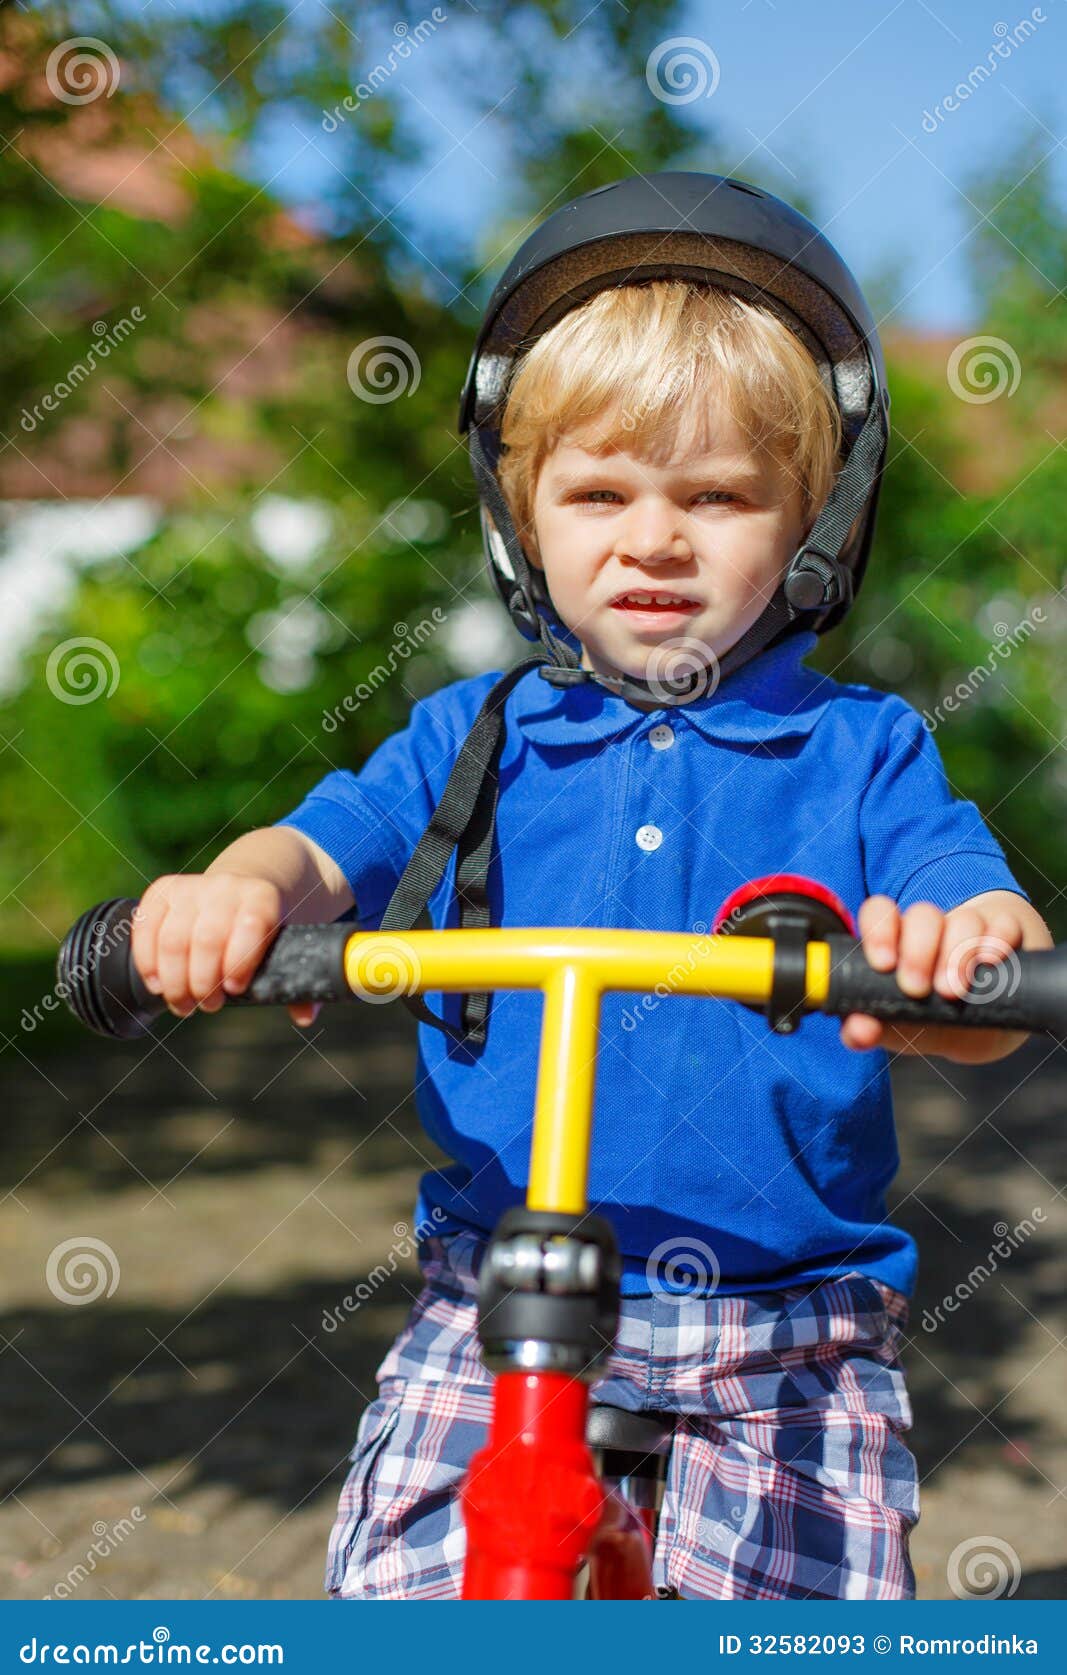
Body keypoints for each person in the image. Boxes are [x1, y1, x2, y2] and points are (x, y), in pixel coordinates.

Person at [129, 173, 1052, 1600]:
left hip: (783, 1330)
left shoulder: (862, 751)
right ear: (522, 512)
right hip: (494, 1307)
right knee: (409, 1605)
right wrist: (234, 893)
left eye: (720, 496)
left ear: (817, 516)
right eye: (600, 492)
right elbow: (319, 853)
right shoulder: (471, 735)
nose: (655, 538)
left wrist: (967, 948)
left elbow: (989, 959)